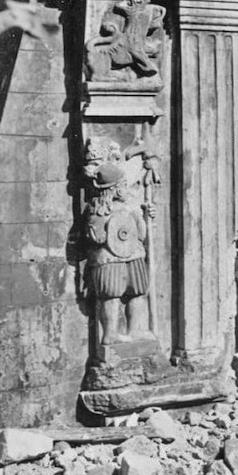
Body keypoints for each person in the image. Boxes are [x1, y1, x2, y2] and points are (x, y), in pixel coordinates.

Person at [83, 139, 155, 346]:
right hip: (109, 258)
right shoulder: (98, 210)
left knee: (138, 291)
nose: (125, 188)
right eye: (122, 185)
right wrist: (108, 224)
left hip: (134, 253)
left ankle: (135, 330)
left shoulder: (130, 205)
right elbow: (97, 238)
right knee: (111, 294)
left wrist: (144, 215)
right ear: (112, 189)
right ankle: (110, 333)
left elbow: (141, 233)